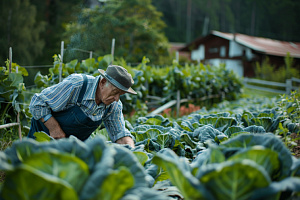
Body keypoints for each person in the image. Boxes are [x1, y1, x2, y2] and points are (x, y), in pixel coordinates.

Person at [28, 65, 136, 148]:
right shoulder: (77, 85)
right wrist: (54, 127)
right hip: (41, 140)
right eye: (115, 92)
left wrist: (132, 150)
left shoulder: (113, 105)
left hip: (71, 149)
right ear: (103, 82)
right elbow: (38, 103)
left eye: (120, 94)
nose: (117, 98)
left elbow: (119, 134)